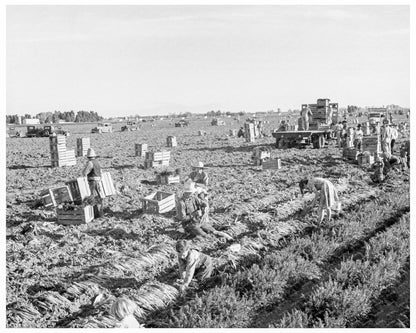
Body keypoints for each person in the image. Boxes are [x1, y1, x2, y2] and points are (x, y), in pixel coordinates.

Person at [82, 148, 104, 218]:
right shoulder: (97, 162)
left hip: (93, 181)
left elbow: (85, 172)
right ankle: (100, 213)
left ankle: (97, 214)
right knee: (98, 197)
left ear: (88, 157)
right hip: (98, 181)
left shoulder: (90, 163)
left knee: (93, 197)